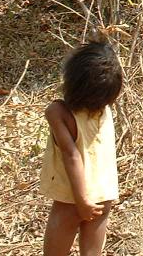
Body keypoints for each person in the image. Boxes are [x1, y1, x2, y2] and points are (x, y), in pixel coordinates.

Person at [40, 40, 123, 256]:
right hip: (103, 196)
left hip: (71, 199)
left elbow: (71, 155)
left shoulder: (58, 112)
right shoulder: (104, 110)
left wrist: (82, 200)